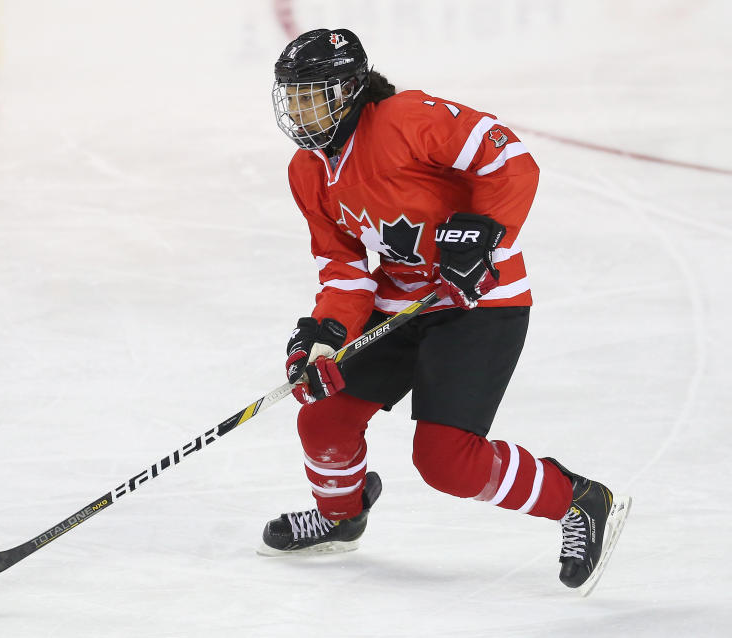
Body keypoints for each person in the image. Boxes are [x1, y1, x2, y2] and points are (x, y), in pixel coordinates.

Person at [260, 27, 631, 593]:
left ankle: (580, 501)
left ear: (351, 88)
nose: (302, 110)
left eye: (315, 94)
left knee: (446, 463)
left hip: (478, 301)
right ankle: (342, 517)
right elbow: (343, 267)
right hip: (400, 305)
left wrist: (484, 230)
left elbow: (510, 158)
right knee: (323, 418)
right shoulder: (307, 170)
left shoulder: (406, 119)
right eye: (294, 96)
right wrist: (325, 337)